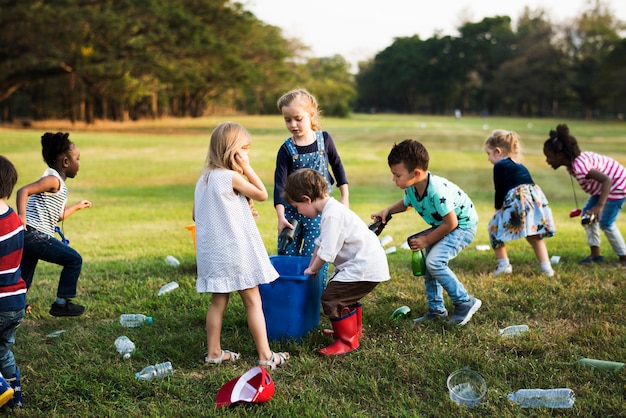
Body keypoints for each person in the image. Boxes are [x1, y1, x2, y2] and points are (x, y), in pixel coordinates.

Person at [194, 122, 288, 370]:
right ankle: (266, 356)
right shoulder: (231, 176)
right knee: (253, 302)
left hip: (214, 255)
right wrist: (246, 167)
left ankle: (214, 352)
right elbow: (262, 193)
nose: (247, 155)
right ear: (233, 151)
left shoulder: (203, 180)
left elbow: (196, 214)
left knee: (218, 302)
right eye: (244, 150)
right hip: (236, 253)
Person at [372, 139, 481, 326]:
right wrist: (387, 211)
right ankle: (436, 310)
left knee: (434, 262)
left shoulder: (436, 191)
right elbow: (407, 203)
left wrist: (426, 240)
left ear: (416, 173)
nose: (394, 180)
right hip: (444, 224)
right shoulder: (414, 186)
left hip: (462, 226)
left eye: (397, 175)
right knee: (431, 265)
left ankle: (465, 302)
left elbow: (451, 222)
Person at [283, 168, 389, 356]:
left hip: (364, 266)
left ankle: (346, 341)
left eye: (297, 207)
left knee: (332, 298)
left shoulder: (332, 214)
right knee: (344, 295)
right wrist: (310, 265)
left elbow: (327, 252)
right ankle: (351, 332)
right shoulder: (331, 210)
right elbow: (320, 244)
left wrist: (312, 269)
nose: (299, 212)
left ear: (307, 199)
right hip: (364, 264)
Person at [16, 132, 91, 317]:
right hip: (34, 233)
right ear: (66, 162)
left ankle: (15, 306)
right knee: (74, 259)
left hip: (30, 235)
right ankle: (61, 303)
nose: (79, 164)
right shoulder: (53, 180)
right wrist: (22, 216)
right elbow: (23, 190)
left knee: (25, 274)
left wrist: (77, 207)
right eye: (77, 159)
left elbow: (57, 216)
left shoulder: (59, 186)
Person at [274, 88, 349, 256]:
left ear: (311, 115)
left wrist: (345, 197)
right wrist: (281, 216)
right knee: (287, 253)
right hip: (292, 212)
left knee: (314, 255)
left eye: (298, 119)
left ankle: (313, 284)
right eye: (287, 120)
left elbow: (337, 166)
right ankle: (290, 283)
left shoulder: (325, 140)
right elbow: (279, 184)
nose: (292, 124)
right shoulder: (286, 149)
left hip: (319, 212)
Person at [544, 123, 626, 265]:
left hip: (617, 185)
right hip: (603, 188)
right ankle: (595, 255)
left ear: (559, 155)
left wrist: (600, 206)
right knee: (587, 216)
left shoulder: (580, 167)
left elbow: (607, 180)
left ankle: (624, 256)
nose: (547, 160)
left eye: (549, 156)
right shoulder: (573, 164)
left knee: (606, 222)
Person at [484, 130, 556, 277]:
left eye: (489, 154)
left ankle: (504, 265)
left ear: (498, 151)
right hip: (533, 200)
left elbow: (500, 190)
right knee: (534, 234)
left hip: (518, 199)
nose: (488, 159)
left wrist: (498, 208)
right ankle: (547, 268)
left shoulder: (500, 166)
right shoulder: (520, 165)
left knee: (493, 227)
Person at [0, 155, 27, 408]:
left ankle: (0, 388)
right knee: (2, 350)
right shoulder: (15, 221)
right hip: (15, 302)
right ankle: (14, 398)